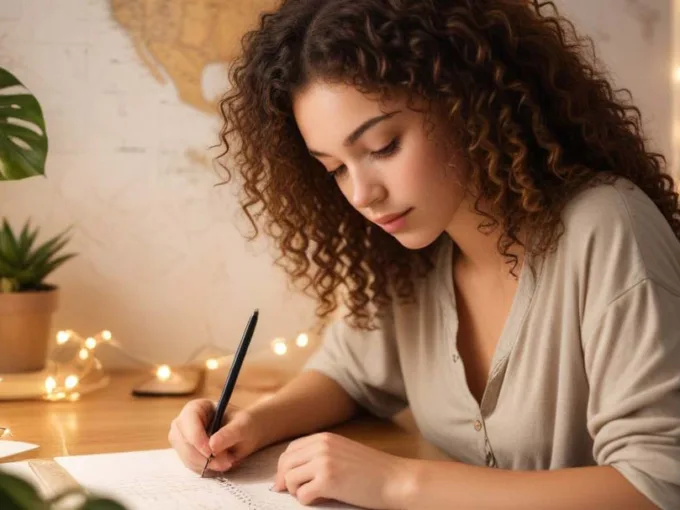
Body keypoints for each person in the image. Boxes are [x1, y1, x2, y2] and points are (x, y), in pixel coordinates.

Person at [168, 1, 680, 508]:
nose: (361, 194)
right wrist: (250, 423)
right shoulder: (411, 256)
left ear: (467, 101)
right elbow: (348, 373)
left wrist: (397, 483)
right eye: (336, 169)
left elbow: (656, 484)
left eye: (384, 146)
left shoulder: (607, 228)